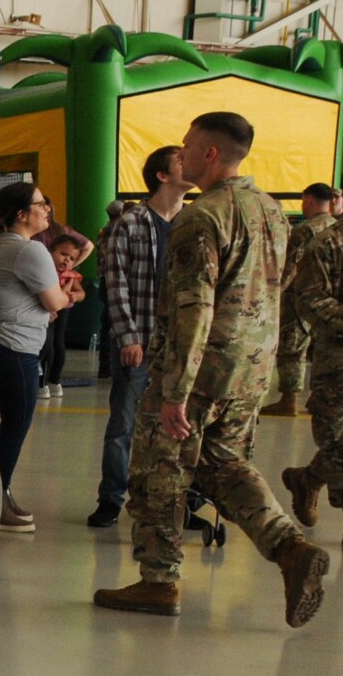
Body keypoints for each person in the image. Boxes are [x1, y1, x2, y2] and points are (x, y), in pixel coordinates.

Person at [94, 111, 330, 627]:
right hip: (251, 369)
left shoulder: (202, 218)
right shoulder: (271, 212)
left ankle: (158, 582)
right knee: (224, 465)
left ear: (209, 153)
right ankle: (289, 548)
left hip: (198, 371)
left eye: (187, 144)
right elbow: (280, 285)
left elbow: (192, 308)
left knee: (159, 472)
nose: (180, 150)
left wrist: (175, 390)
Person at [0, 181, 73, 532]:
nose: (47, 210)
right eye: (42, 204)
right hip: (13, 347)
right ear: (21, 214)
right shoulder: (31, 251)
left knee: (11, 424)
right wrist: (67, 296)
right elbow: (55, 301)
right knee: (15, 425)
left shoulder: (2, 244)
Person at [90, 145, 185, 528]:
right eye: (180, 160)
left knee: (180, 428)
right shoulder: (129, 224)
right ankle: (111, 498)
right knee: (124, 426)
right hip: (140, 342)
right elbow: (115, 285)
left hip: (181, 348)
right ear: (162, 175)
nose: (188, 163)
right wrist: (128, 337)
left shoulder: (194, 222)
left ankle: (179, 502)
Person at [284, 216, 343, 527]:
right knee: (333, 438)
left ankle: (308, 479)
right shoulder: (327, 244)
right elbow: (309, 299)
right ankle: (309, 480)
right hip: (337, 364)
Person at [263, 181, 337, 417]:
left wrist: (274, 294)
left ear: (309, 200)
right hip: (329, 301)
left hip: (298, 297)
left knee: (291, 347)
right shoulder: (335, 227)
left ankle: (289, 400)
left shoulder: (305, 230)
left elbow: (289, 266)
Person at [34, 222, 92, 399]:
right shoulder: (45, 271)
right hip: (48, 312)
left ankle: (54, 380)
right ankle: (41, 382)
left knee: (58, 344)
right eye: (63, 254)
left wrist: (75, 296)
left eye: (72, 258)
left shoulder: (70, 276)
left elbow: (81, 292)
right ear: (50, 253)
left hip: (62, 311)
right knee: (46, 345)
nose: (66, 260)